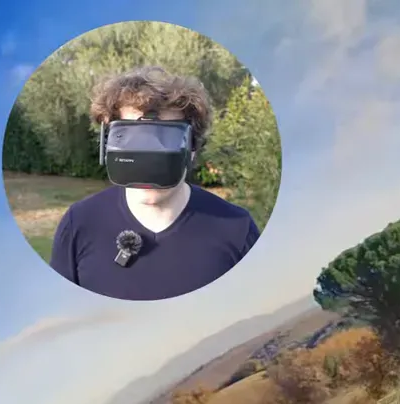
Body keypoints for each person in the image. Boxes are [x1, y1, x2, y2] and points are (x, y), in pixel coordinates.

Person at [49, 66, 261, 301]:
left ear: (192, 148)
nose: (148, 160)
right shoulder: (79, 224)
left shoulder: (237, 230)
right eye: (133, 138)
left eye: (165, 138)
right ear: (107, 145)